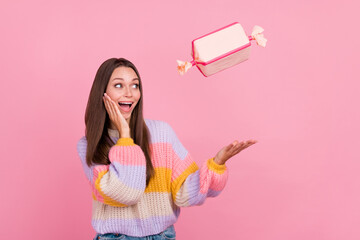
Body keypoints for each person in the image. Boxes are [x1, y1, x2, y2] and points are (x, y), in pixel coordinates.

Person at [76, 57, 257, 240]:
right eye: (118, 85)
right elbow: (126, 194)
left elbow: (184, 192)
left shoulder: (161, 133)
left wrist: (217, 164)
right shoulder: (89, 145)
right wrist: (125, 134)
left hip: (162, 236)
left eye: (135, 85)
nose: (130, 93)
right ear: (102, 92)